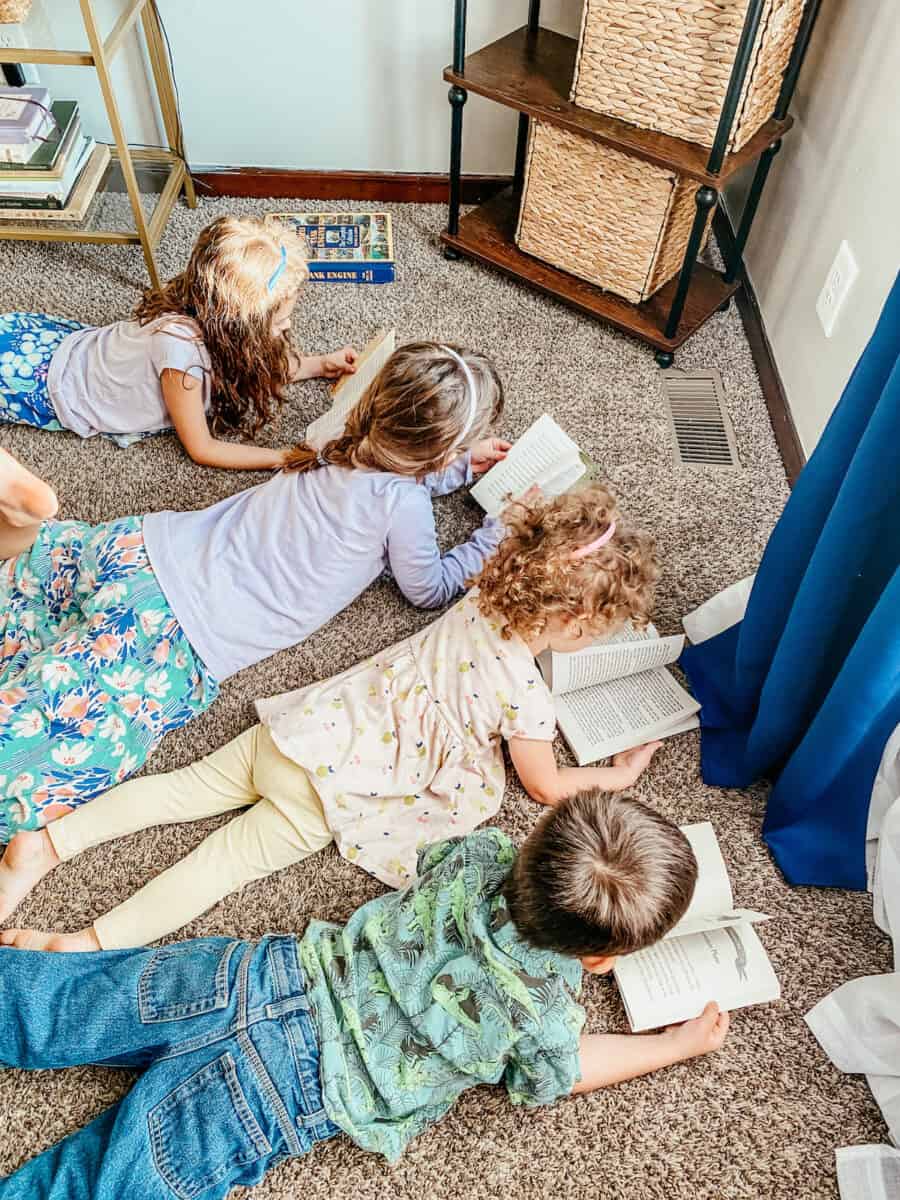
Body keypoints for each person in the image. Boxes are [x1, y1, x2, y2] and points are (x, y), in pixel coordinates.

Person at [0, 485, 663, 950]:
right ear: (576, 625)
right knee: (216, 868)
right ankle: (87, 943)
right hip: (336, 793)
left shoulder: (480, 600)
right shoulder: (528, 700)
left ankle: (48, 842)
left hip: (303, 729)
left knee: (181, 789)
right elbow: (545, 785)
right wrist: (613, 778)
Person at [0, 792, 729, 1199]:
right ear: (601, 959)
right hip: (290, 1092)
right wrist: (671, 1044)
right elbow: (566, 1069)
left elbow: (431, 861)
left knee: (58, 1001)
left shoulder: (478, 854)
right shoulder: (542, 1016)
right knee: (104, 1187)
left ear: (535, 838)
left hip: (255, 976)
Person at [0, 340, 508, 841]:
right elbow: (430, 587)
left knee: (28, 606)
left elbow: (388, 478)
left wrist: (459, 468)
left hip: (145, 551)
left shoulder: (340, 438)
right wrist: (492, 538)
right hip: (174, 637)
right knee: (40, 757)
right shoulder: (405, 508)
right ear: (438, 452)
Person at [0, 215, 358, 470]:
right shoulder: (181, 360)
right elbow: (202, 448)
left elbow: (257, 366)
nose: (288, 325)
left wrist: (321, 364)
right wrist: (281, 457)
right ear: (237, 327)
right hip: (47, 382)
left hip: (63, 347)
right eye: (279, 322)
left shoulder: (208, 315)